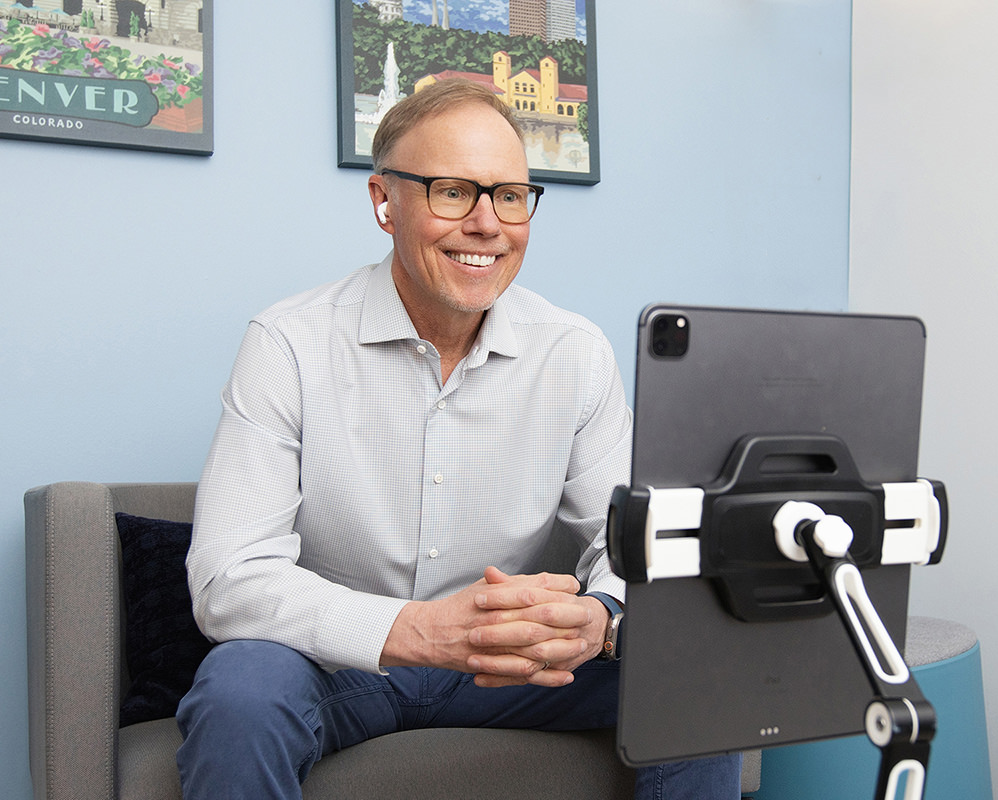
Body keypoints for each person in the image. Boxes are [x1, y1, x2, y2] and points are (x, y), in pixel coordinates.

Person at [176, 79, 742, 799]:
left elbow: (632, 545)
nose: (487, 224)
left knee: (693, 672)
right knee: (239, 693)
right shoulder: (287, 343)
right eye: (452, 191)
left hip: (513, 669)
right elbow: (230, 577)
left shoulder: (574, 351)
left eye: (509, 196)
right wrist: (417, 630)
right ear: (385, 202)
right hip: (338, 663)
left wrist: (601, 617)